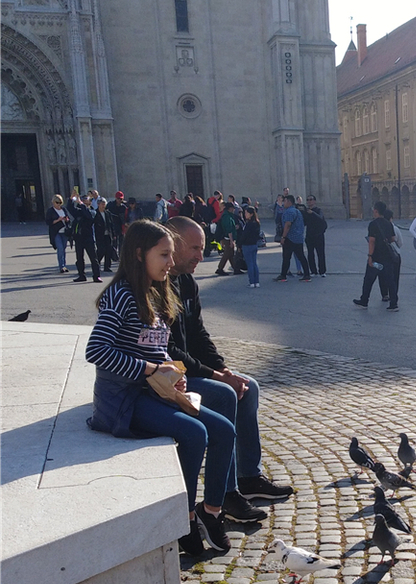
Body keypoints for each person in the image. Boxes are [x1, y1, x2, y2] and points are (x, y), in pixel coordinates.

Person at [85, 219, 237, 556]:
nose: (171, 262)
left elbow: (157, 347)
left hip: (157, 391)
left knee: (224, 429)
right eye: (164, 254)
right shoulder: (121, 295)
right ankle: (181, 518)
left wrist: (175, 372)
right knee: (195, 433)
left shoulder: (158, 291)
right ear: (140, 254)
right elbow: (96, 350)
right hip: (125, 399)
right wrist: (153, 368)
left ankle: (211, 513)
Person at [166, 217, 294, 522]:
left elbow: (198, 336)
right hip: (168, 378)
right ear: (174, 244)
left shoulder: (186, 282)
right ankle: (227, 494)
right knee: (224, 394)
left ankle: (249, 476)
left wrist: (224, 369)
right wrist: (217, 377)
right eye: (195, 248)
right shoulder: (158, 286)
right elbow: (170, 350)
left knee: (248, 388)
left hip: (189, 370)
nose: (202, 254)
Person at [353, 200, 399, 310]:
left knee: (369, 279)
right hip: (387, 257)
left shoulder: (373, 224)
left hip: (376, 257)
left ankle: (364, 301)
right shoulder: (388, 223)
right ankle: (393, 303)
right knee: (390, 280)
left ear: (376, 211)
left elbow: (372, 241)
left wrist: (370, 256)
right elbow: (393, 238)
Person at [275, 192, 310, 282]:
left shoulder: (289, 212)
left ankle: (283, 275)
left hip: (290, 238)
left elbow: (288, 225)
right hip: (298, 237)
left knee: (286, 257)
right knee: (301, 256)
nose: (283, 203)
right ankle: (307, 274)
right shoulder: (296, 211)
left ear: (289, 202)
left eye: (284, 201)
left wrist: (283, 237)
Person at [72, 194, 102, 283]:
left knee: (93, 258)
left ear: (90, 202)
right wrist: (71, 199)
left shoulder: (93, 211)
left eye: (86, 199)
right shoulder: (79, 211)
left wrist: (81, 204)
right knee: (79, 258)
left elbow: (88, 215)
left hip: (89, 238)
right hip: (79, 238)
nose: (84, 200)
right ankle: (81, 275)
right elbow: (70, 209)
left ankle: (96, 276)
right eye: (82, 199)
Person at [214, 199, 241, 275]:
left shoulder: (227, 215)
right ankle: (220, 269)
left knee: (231, 254)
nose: (234, 209)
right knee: (227, 254)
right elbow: (228, 229)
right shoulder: (227, 217)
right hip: (228, 238)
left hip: (227, 237)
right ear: (230, 208)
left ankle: (235, 268)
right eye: (233, 208)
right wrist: (232, 241)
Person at [46, 194, 71, 272]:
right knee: (60, 248)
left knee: (63, 249)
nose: (59, 204)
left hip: (64, 232)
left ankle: (64, 265)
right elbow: (48, 222)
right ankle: (61, 266)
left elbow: (68, 219)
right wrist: (58, 220)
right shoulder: (50, 211)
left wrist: (66, 219)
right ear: (53, 202)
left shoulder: (63, 209)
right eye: (57, 202)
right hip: (56, 232)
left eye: (60, 202)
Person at [239, 204, 262, 288]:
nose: (245, 214)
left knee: (250, 264)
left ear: (251, 214)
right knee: (254, 263)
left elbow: (244, 235)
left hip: (247, 245)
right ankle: (257, 281)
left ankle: (251, 281)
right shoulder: (257, 223)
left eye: (247, 213)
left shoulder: (249, 224)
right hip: (254, 244)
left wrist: (239, 244)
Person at [304, 196, 327, 276]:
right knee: (310, 254)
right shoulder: (306, 211)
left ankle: (322, 271)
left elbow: (321, 218)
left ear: (314, 201)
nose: (309, 201)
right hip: (309, 235)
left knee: (320, 254)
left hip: (318, 235)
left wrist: (312, 213)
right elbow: (304, 222)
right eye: (308, 200)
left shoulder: (318, 210)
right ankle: (313, 271)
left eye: (311, 200)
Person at [96, 197, 115, 273]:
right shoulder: (95, 213)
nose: (103, 205)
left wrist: (113, 234)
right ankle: (97, 264)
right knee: (101, 250)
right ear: (98, 204)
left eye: (104, 204)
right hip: (100, 235)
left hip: (108, 234)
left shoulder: (107, 213)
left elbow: (111, 224)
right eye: (102, 204)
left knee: (108, 250)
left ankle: (107, 266)